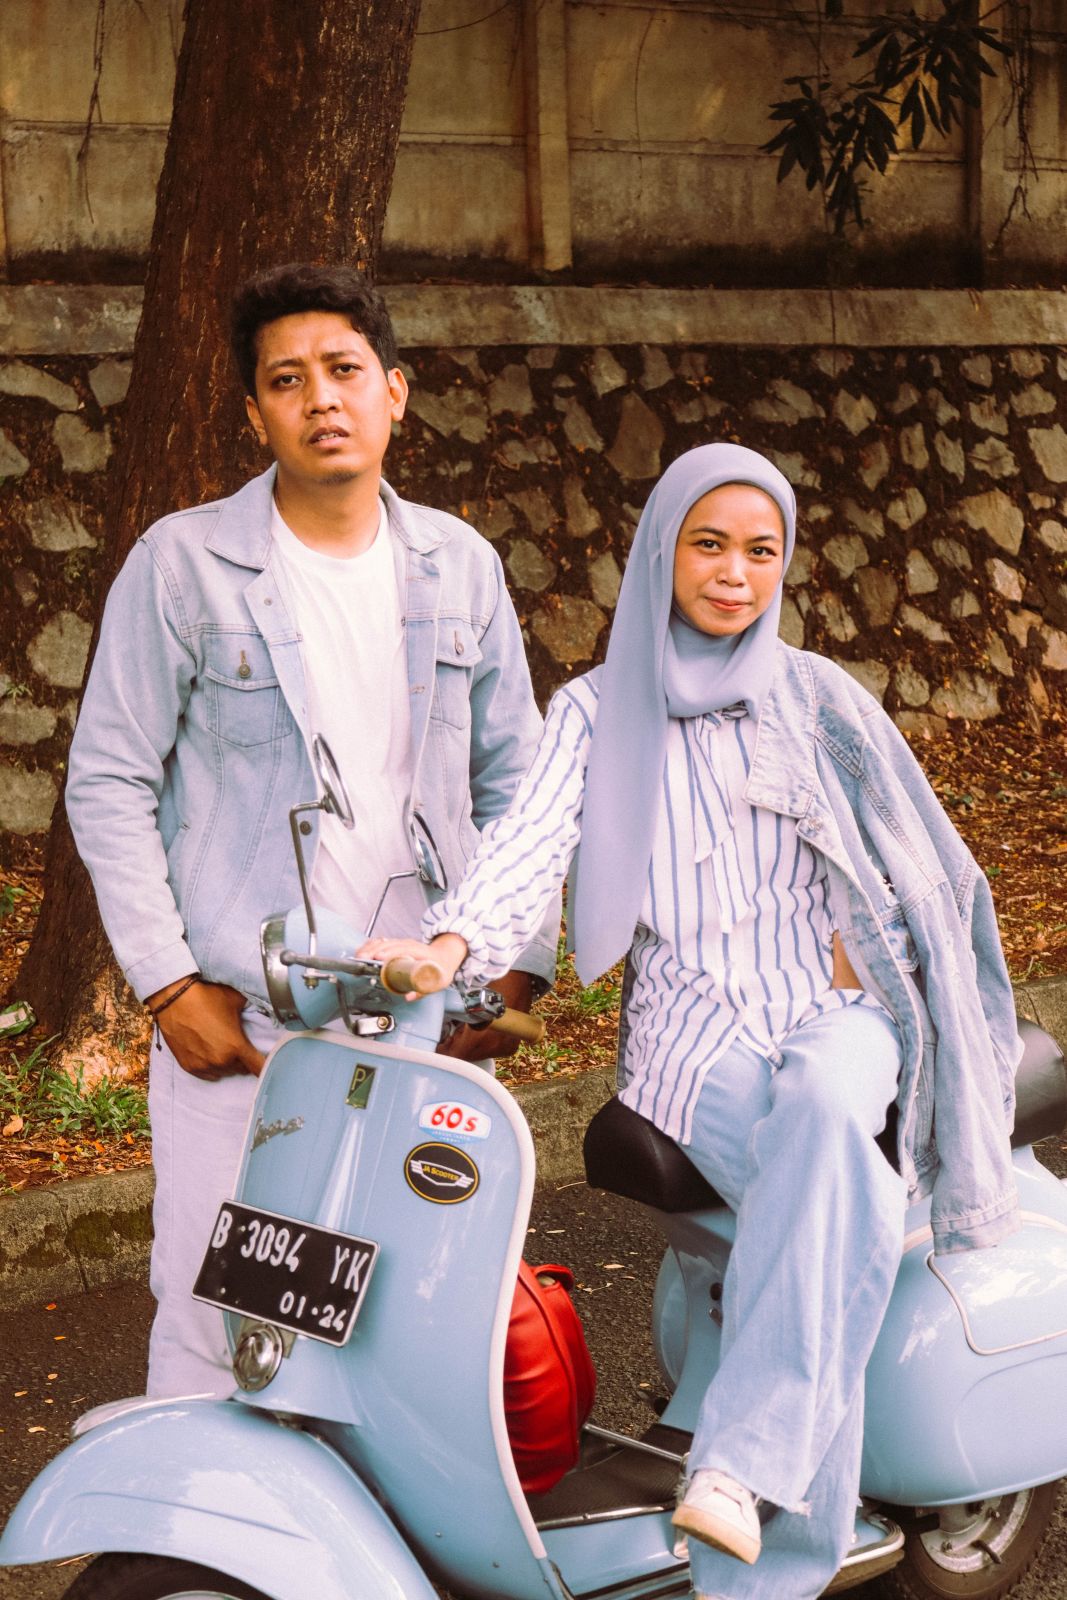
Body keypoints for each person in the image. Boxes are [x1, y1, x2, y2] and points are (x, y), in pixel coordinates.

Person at [359, 443, 1021, 1600]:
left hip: (834, 1010)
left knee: (826, 1102)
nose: (733, 573)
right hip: (692, 1032)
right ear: (663, 549)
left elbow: (913, 851)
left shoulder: (815, 697)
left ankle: (738, 1468)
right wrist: (449, 947)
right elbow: (525, 845)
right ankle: (765, 1531)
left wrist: (883, 954)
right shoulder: (596, 710)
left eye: (760, 551)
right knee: (844, 1198)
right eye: (708, 545)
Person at [66, 262, 557, 1401]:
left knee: (402, 1322)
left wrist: (514, 969)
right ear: (255, 413)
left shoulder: (459, 566)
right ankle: (199, 1518)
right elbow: (107, 778)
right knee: (224, 1325)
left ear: (394, 391)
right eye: (286, 380)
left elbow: (520, 784)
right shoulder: (185, 566)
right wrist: (166, 985)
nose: (320, 397)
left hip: (423, 1019)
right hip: (248, 1027)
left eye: (343, 369)